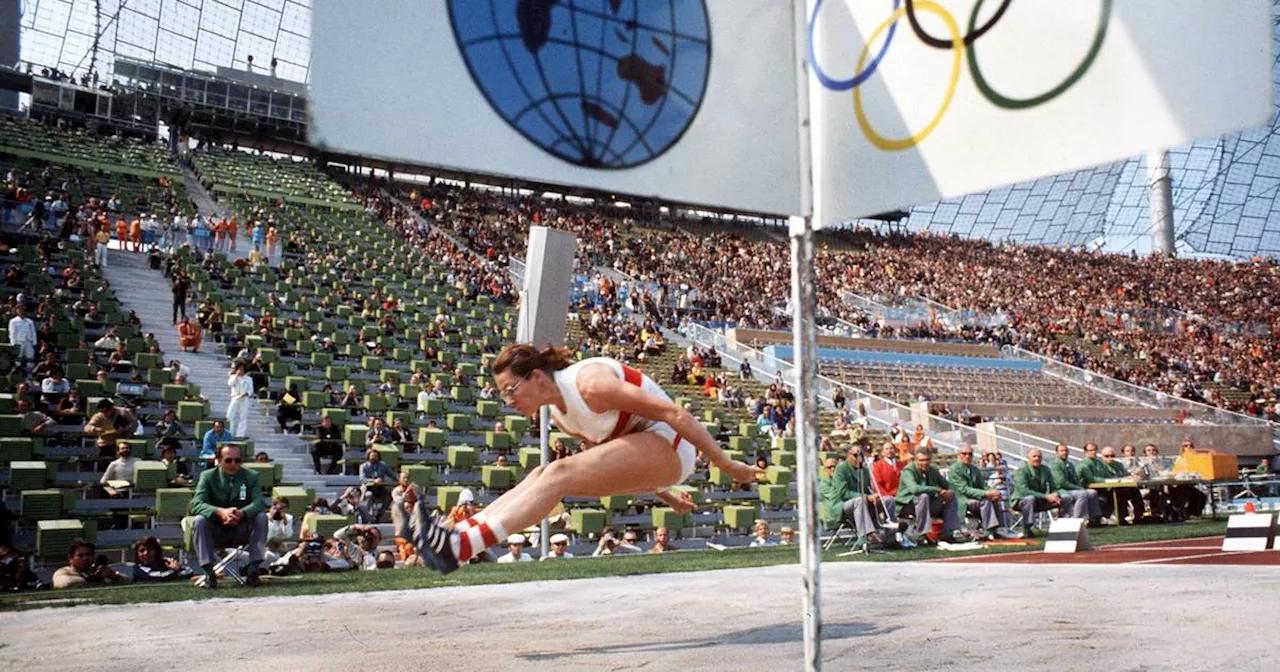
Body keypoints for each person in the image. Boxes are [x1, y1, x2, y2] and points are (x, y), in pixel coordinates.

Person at [416, 344, 760, 573]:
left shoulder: (590, 384)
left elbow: (675, 414)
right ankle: (455, 533)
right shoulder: (559, 415)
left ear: (536, 377)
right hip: (654, 454)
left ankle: (462, 545)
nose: (508, 400)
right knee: (542, 473)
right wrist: (663, 492)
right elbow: (615, 458)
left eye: (510, 389)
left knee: (559, 473)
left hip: (674, 444)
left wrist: (727, 464)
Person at [189, 444, 267, 589]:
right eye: (228, 460)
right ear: (218, 460)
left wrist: (241, 513)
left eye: (237, 460)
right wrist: (220, 512)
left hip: (242, 530)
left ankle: (253, 570)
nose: (233, 464)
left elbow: (259, 503)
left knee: (261, 517)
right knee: (199, 520)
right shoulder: (207, 477)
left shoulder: (251, 476)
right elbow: (196, 504)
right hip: (216, 530)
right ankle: (208, 573)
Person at [819, 449, 883, 549]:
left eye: (835, 466)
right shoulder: (824, 483)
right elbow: (839, 495)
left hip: (853, 507)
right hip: (836, 512)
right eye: (829, 467)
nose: (833, 469)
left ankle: (891, 535)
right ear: (825, 469)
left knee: (883, 501)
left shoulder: (842, 478)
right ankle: (867, 535)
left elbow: (849, 493)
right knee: (859, 501)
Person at [896, 450, 963, 544]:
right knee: (923, 496)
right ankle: (923, 534)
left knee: (950, 497)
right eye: (921, 460)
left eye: (927, 460)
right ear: (915, 460)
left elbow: (948, 484)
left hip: (928, 504)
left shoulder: (933, 470)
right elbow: (914, 489)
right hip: (907, 505)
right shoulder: (908, 471)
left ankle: (949, 533)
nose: (925, 462)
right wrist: (937, 490)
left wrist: (950, 491)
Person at [948, 445, 1005, 540]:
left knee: (993, 499)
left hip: (975, 498)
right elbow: (964, 490)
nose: (967, 456)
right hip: (961, 500)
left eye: (970, 454)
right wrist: (985, 493)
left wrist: (993, 492)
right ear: (959, 455)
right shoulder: (954, 469)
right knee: (985, 501)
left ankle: (996, 530)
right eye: (964, 454)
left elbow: (983, 485)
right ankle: (988, 531)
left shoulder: (974, 469)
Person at [1011, 448, 1065, 538]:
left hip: (1041, 500)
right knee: (1030, 499)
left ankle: (1063, 527)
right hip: (1021, 501)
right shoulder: (1021, 471)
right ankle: (1027, 529)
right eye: (1034, 456)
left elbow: (1053, 486)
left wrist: (1055, 494)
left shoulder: (1045, 469)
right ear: (1028, 458)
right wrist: (1046, 496)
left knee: (1064, 498)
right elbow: (1024, 491)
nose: (1037, 458)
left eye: (1039, 456)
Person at [1048, 443, 1101, 523]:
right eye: (1062, 451)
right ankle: (1078, 520)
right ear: (1057, 453)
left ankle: (1094, 519)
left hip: (1072, 489)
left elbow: (1076, 479)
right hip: (1061, 490)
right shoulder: (1055, 465)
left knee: (1092, 492)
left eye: (1066, 451)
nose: (1064, 453)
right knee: (1082, 494)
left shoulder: (1070, 464)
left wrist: (1080, 486)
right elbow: (1062, 482)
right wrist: (1079, 488)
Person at [52, 540, 124, 589]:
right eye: (80, 555)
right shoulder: (64, 572)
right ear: (71, 558)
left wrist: (113, 575)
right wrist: (95, 579)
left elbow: (128, 581)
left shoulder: (97, 569)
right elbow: (65, 583)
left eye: (89, 554)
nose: (86, 558)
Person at [226, 363, 253, 438]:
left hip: (244, 399)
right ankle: (230, 433)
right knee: (230, 415)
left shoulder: (249, 379)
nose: (241, 370)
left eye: (242, 368)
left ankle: (240, 435)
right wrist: (236, 376)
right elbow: (230, 384)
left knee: (243, 417)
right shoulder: (233, 377)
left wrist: (246, 393)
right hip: (235, 398)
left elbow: (251, 390)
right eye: (239, 368)